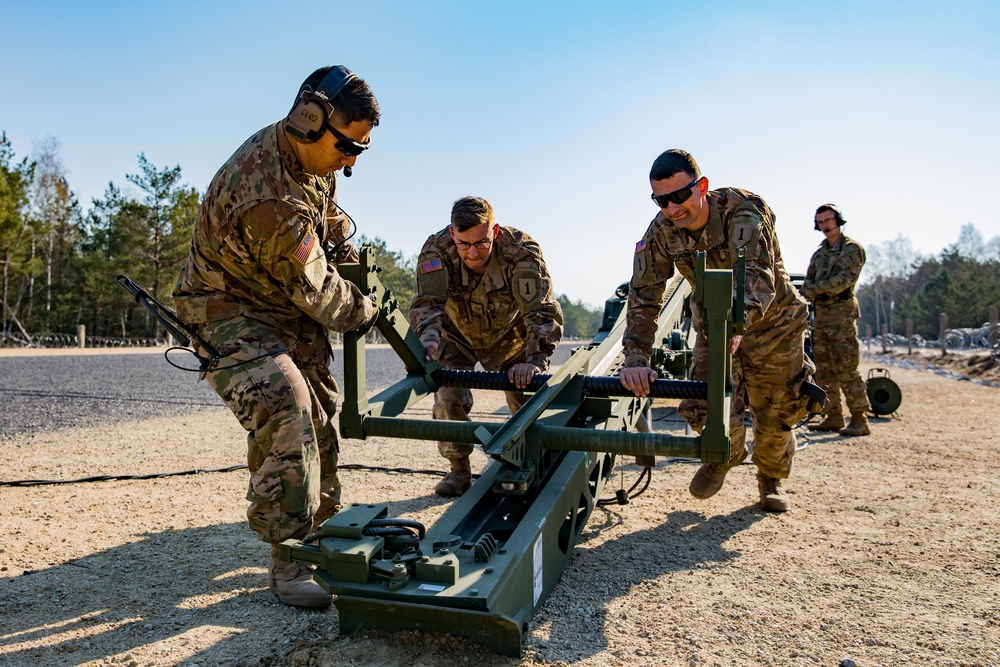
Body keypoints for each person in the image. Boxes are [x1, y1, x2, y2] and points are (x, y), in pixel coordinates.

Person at [172, 65, 381, 608]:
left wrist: (347, 252)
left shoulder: (316, 160)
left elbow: (327, 218)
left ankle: (321, 532)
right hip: (228, 312)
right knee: (288, 407)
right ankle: (289, 555)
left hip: (280, 306)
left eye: (362, 148)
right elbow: (319, 293)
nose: (352, 160)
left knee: (322, 408)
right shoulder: (265, 196)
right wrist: (367, 310)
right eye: (348, 146)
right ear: (309, 121)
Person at [619, 149, 815, 512]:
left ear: (702, 187)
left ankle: (770, 477)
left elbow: (758, 276)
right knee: (703, 406)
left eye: (680, 196)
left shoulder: (743, 212)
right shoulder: (662, 231)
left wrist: (738, 327)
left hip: (774, 327)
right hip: (713, 324)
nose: (673, 208)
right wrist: (635, 357)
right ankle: (724, 453)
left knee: (776, 414)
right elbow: (645, 294)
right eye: (661, 200)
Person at [408, 196, 564, 496]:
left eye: (481, 243)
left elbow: (542, 311)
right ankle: (458, 471)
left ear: (494, 231)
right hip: (457, 335)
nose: (472, 252)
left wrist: (535, 361)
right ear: (453, 234)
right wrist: (427, 339)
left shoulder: (521, 251)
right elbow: (428, 304)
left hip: (510, 335)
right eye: (464, 244)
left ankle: (527, 464)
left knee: (526, 396)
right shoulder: (436, 250)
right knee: (447, 395)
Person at [799, 204, 871, 436]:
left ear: (838, 221)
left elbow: (844, 281)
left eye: (829, 221)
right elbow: (807, 284)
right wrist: (814, 291)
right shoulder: (819, 254)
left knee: (847, 369)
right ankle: (834, 415)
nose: (825, 226)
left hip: (841, 319)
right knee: (825, 371)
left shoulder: (851, 249)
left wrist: (816, 290)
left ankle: (860, 419)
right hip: (820, 320)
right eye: (821, 222)